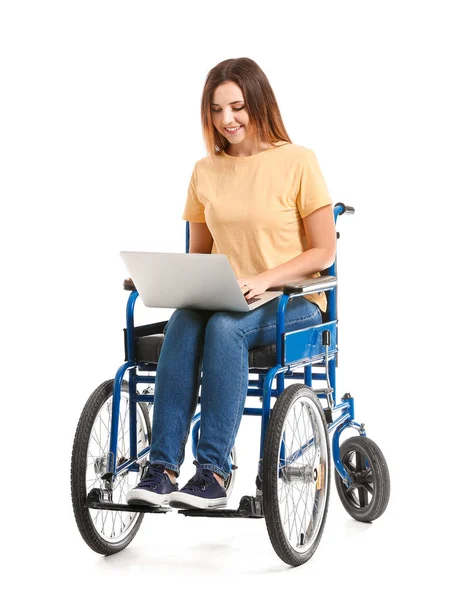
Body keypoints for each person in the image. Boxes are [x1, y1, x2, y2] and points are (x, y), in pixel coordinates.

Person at [126, 57, 336, 510]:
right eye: (217, 110)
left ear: (258, 102)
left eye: (237, 107)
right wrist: (172, 281)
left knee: (225, 328)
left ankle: (213, 475)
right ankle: (161, 470)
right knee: (183, 320)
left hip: (293, 300)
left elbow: (324, 252)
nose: (227, 120)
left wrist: (266, 279)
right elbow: (199, 253)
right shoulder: (206, 171)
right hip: (228, 296)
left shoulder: (298, 161)